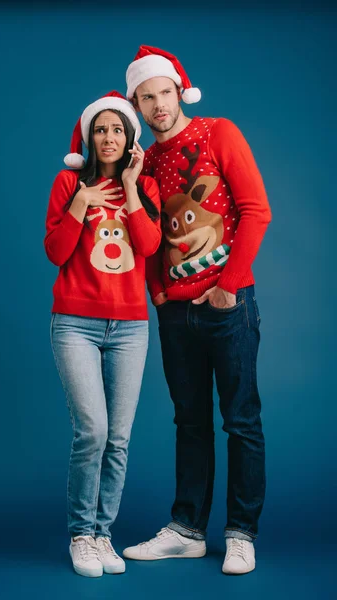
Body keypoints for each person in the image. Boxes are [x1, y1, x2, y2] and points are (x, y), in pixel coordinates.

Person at [122, 46, 272, 575]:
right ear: (137, 104)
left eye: (165, 92)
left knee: (241, 420)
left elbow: (256, 209)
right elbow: (145, 235)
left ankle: (239, 533)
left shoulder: (218, 133)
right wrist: (157, 294)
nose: (159, 105)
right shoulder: (144, 160)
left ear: (179, 91)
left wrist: (230, 286)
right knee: (189, 422)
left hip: (229, 306)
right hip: (175, 312)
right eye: (147, 97)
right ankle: (187, 529)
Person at [44, 91, 161, 578]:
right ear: (89, 137)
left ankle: (103, 534)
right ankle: (80, 535)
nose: (108, 137)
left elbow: (150, 244)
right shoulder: (68, 182)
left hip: (131, 326)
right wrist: (81, 203)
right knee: (91, 430)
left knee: (119, 437)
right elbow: (55, 251)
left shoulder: (146, 186)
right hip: (75, 322)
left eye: (117, 129)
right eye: (100, 129)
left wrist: (131, 189)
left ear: (129, 137)